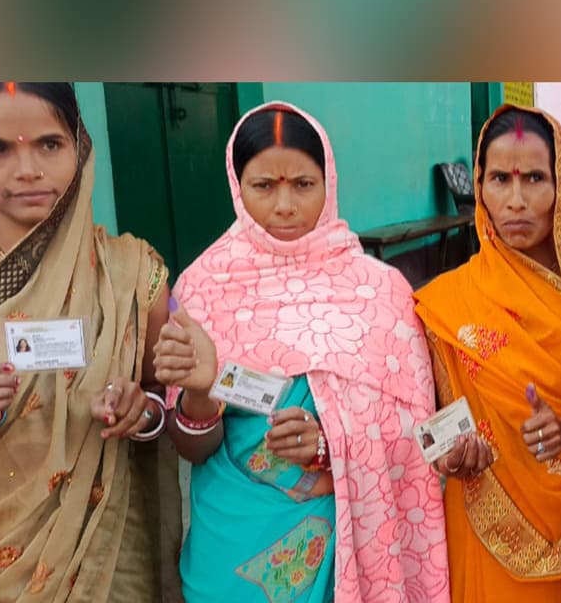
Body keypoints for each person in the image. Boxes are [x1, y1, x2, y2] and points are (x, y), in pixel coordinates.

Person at [0, 83, 178, 601]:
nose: (28, 169)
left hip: (102, 561)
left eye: (49, 143)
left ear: (79, 146)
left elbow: (164, 402)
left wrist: (144, 411)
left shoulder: (132, 272)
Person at [153, 102, 448, 603]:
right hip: (233, 542)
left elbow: (418, 432)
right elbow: (191, 449)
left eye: (302, 184)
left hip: (346, 542)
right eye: (264, 186)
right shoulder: (203, 286)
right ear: (236, 187)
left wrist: (330, 447)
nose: (284, 205)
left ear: (328, 182)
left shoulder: (380, 291)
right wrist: (201, 392)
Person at [413, 104, 561, 603]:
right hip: (490, 531)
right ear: (480, 186)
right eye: (499, 179)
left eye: (534, 178)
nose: (515, 200)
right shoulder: (446, 304)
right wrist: (450, 455)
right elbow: (424, 423)